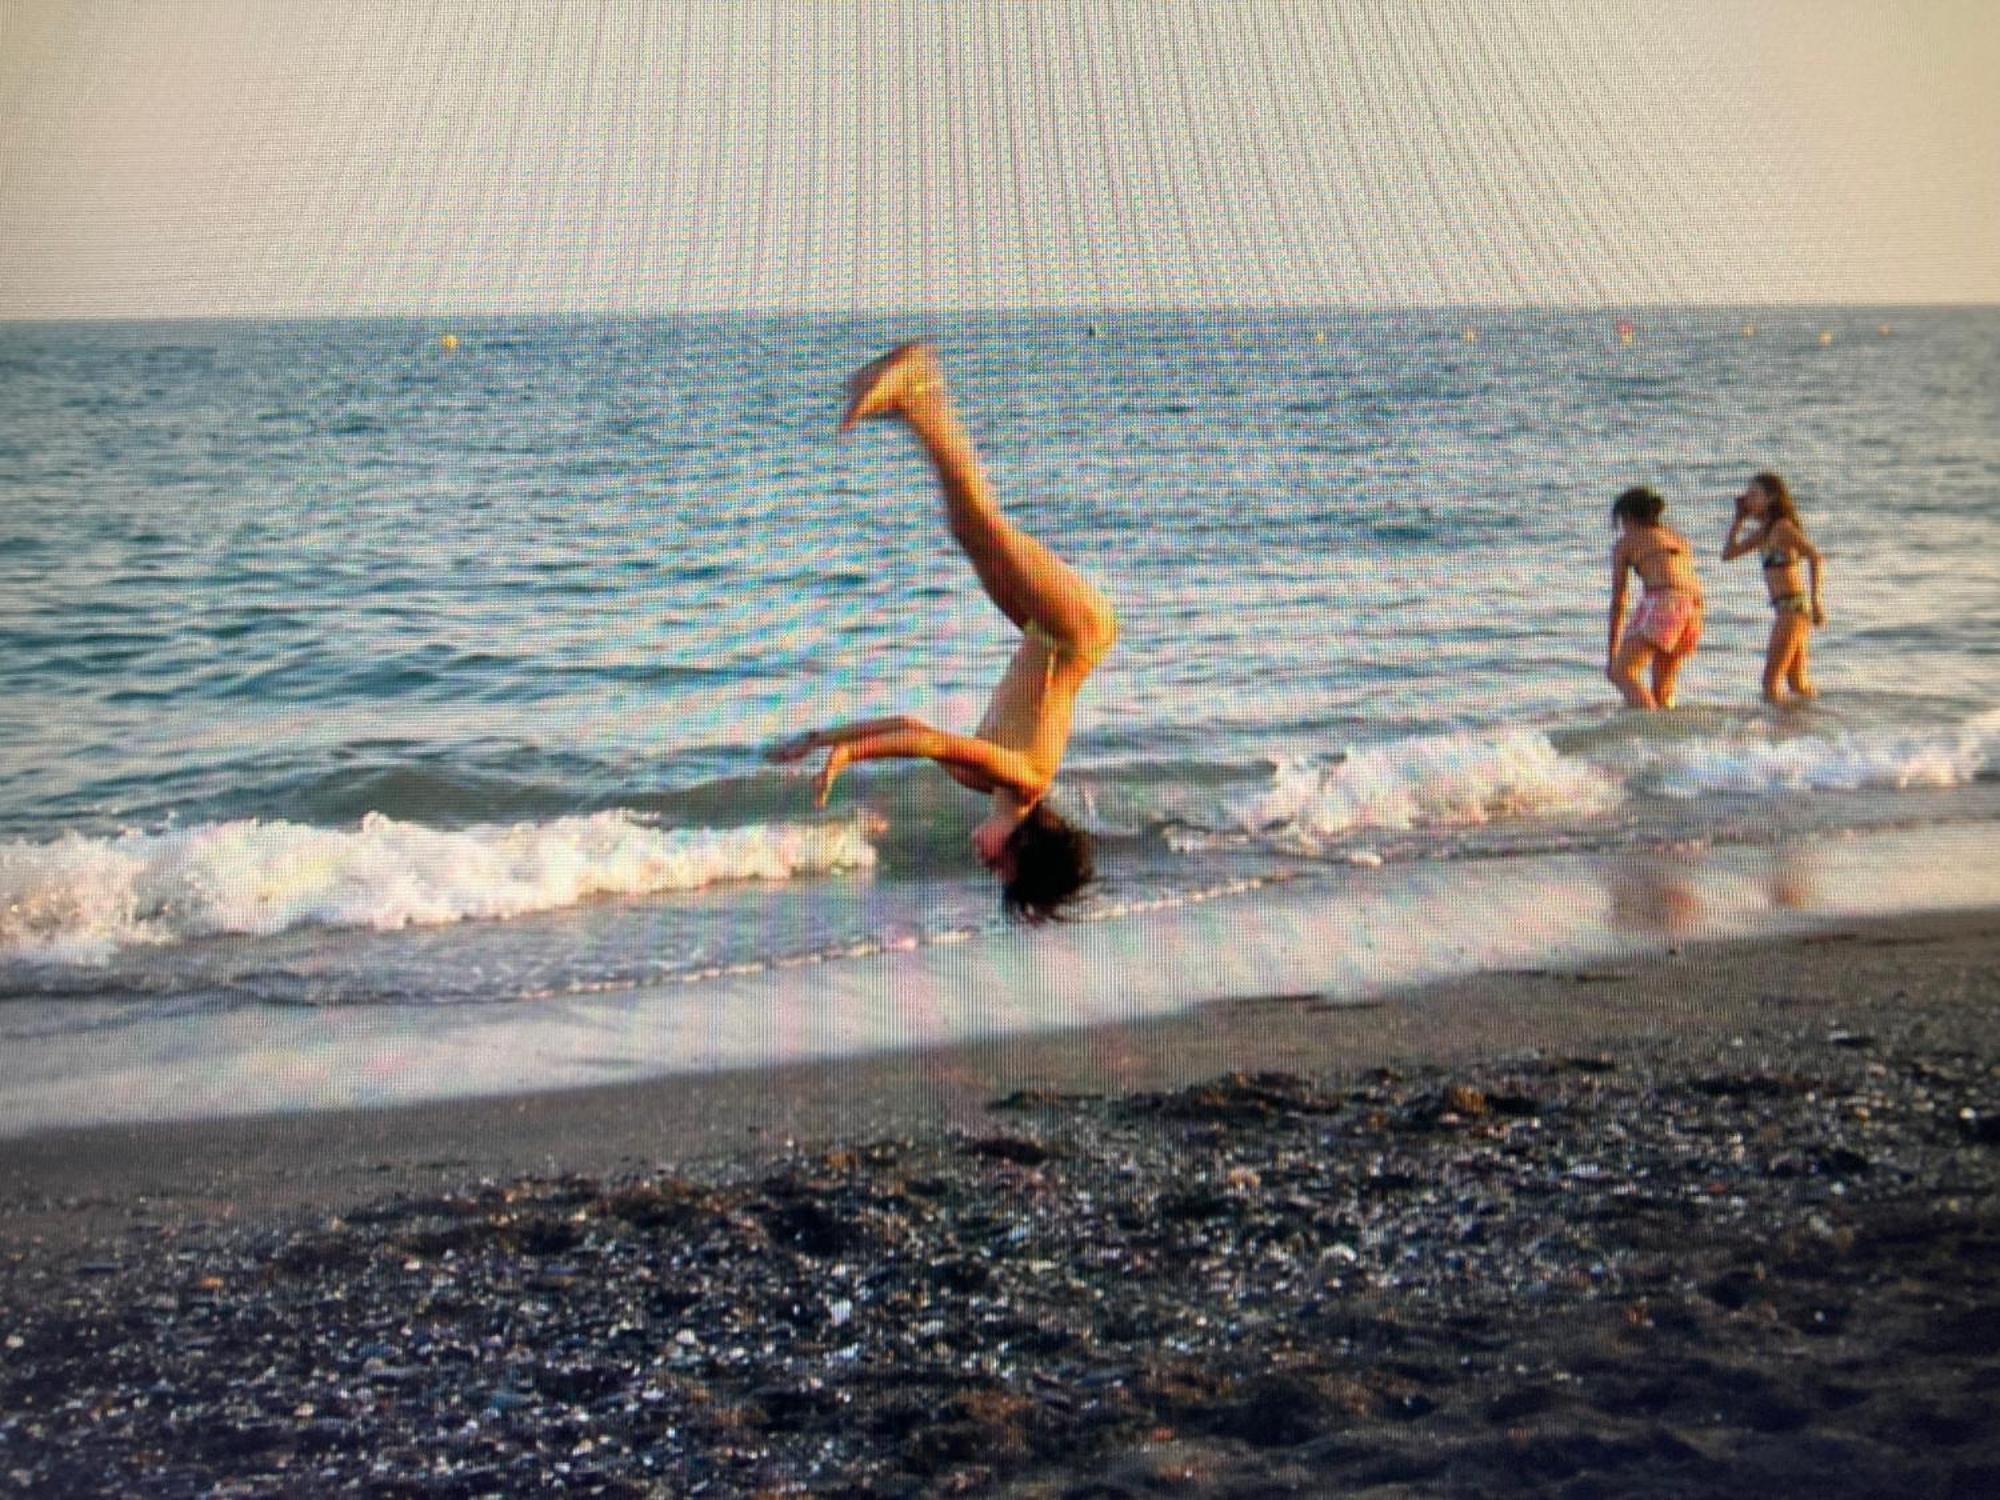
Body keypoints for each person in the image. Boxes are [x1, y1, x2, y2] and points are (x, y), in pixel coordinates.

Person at [768, 343, 1117, 920]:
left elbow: (911, 727)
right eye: (1003, 868)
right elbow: (929, 741)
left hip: (1043, 632)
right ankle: (915, 384)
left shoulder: (980, 782)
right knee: (985, 526)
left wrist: (823, 740)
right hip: (1077, 631)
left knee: (967, 531)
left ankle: (913, 404)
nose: (988, 867)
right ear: (1022, 846)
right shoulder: (1025, 778)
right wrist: (850, 756)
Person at [1721, 471, 1827, 705]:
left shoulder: (1782, 527)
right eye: (1748, 494)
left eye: (1754, 494)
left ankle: (1777, 730)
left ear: (1771, 498)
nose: (1748, 499)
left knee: (1771, 681)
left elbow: (1815, 557)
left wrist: (1817, 602)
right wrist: (1738, 520)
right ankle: (1808, 726)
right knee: (1797, 682)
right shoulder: (1765, 532)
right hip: (1786, 609)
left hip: (1793, 608)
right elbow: (1728, 554)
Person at [1606, 486, 1704, 710]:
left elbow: (1619, 601)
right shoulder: (1675, 539)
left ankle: (1647, 727)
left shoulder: (1626, 543)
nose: (1622, 528)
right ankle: (1664, 740)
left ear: (1628, 517)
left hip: (1664, 601)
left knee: (1624, 671)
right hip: (1694, 607)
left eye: (1622, 522)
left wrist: (1612, 656)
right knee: (1663, 691)